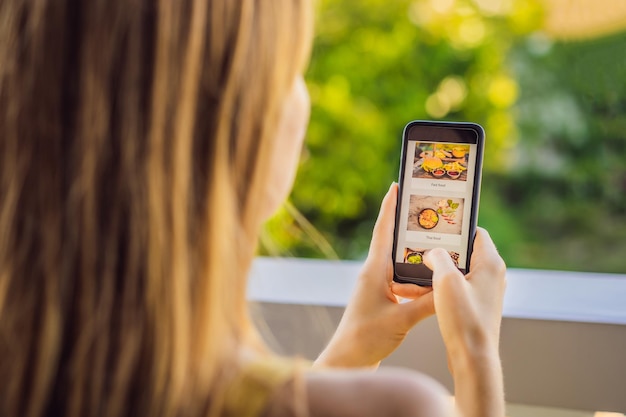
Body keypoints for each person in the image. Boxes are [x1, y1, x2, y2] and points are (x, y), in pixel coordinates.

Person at [0, 1, 507, 417]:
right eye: (292, 69)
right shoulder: (405, 407)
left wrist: (352, 350)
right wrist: (476, 359)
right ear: (236, 123)